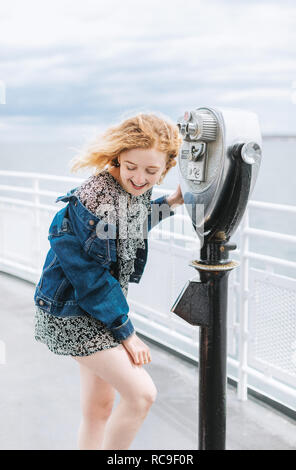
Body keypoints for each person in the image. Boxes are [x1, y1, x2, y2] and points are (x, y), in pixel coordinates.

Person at [34, 112, 184, 450]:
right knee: (142, 395)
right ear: (118, 156)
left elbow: (131, 224)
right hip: (74, 312)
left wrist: (170, 203)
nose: (140, 178)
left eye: (151, 171)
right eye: (131, 166)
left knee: (99, 408)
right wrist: (126, 332)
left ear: (166, 168)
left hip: (97, 309)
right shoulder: (98, 199)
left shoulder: (133, 187)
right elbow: (90, 276)